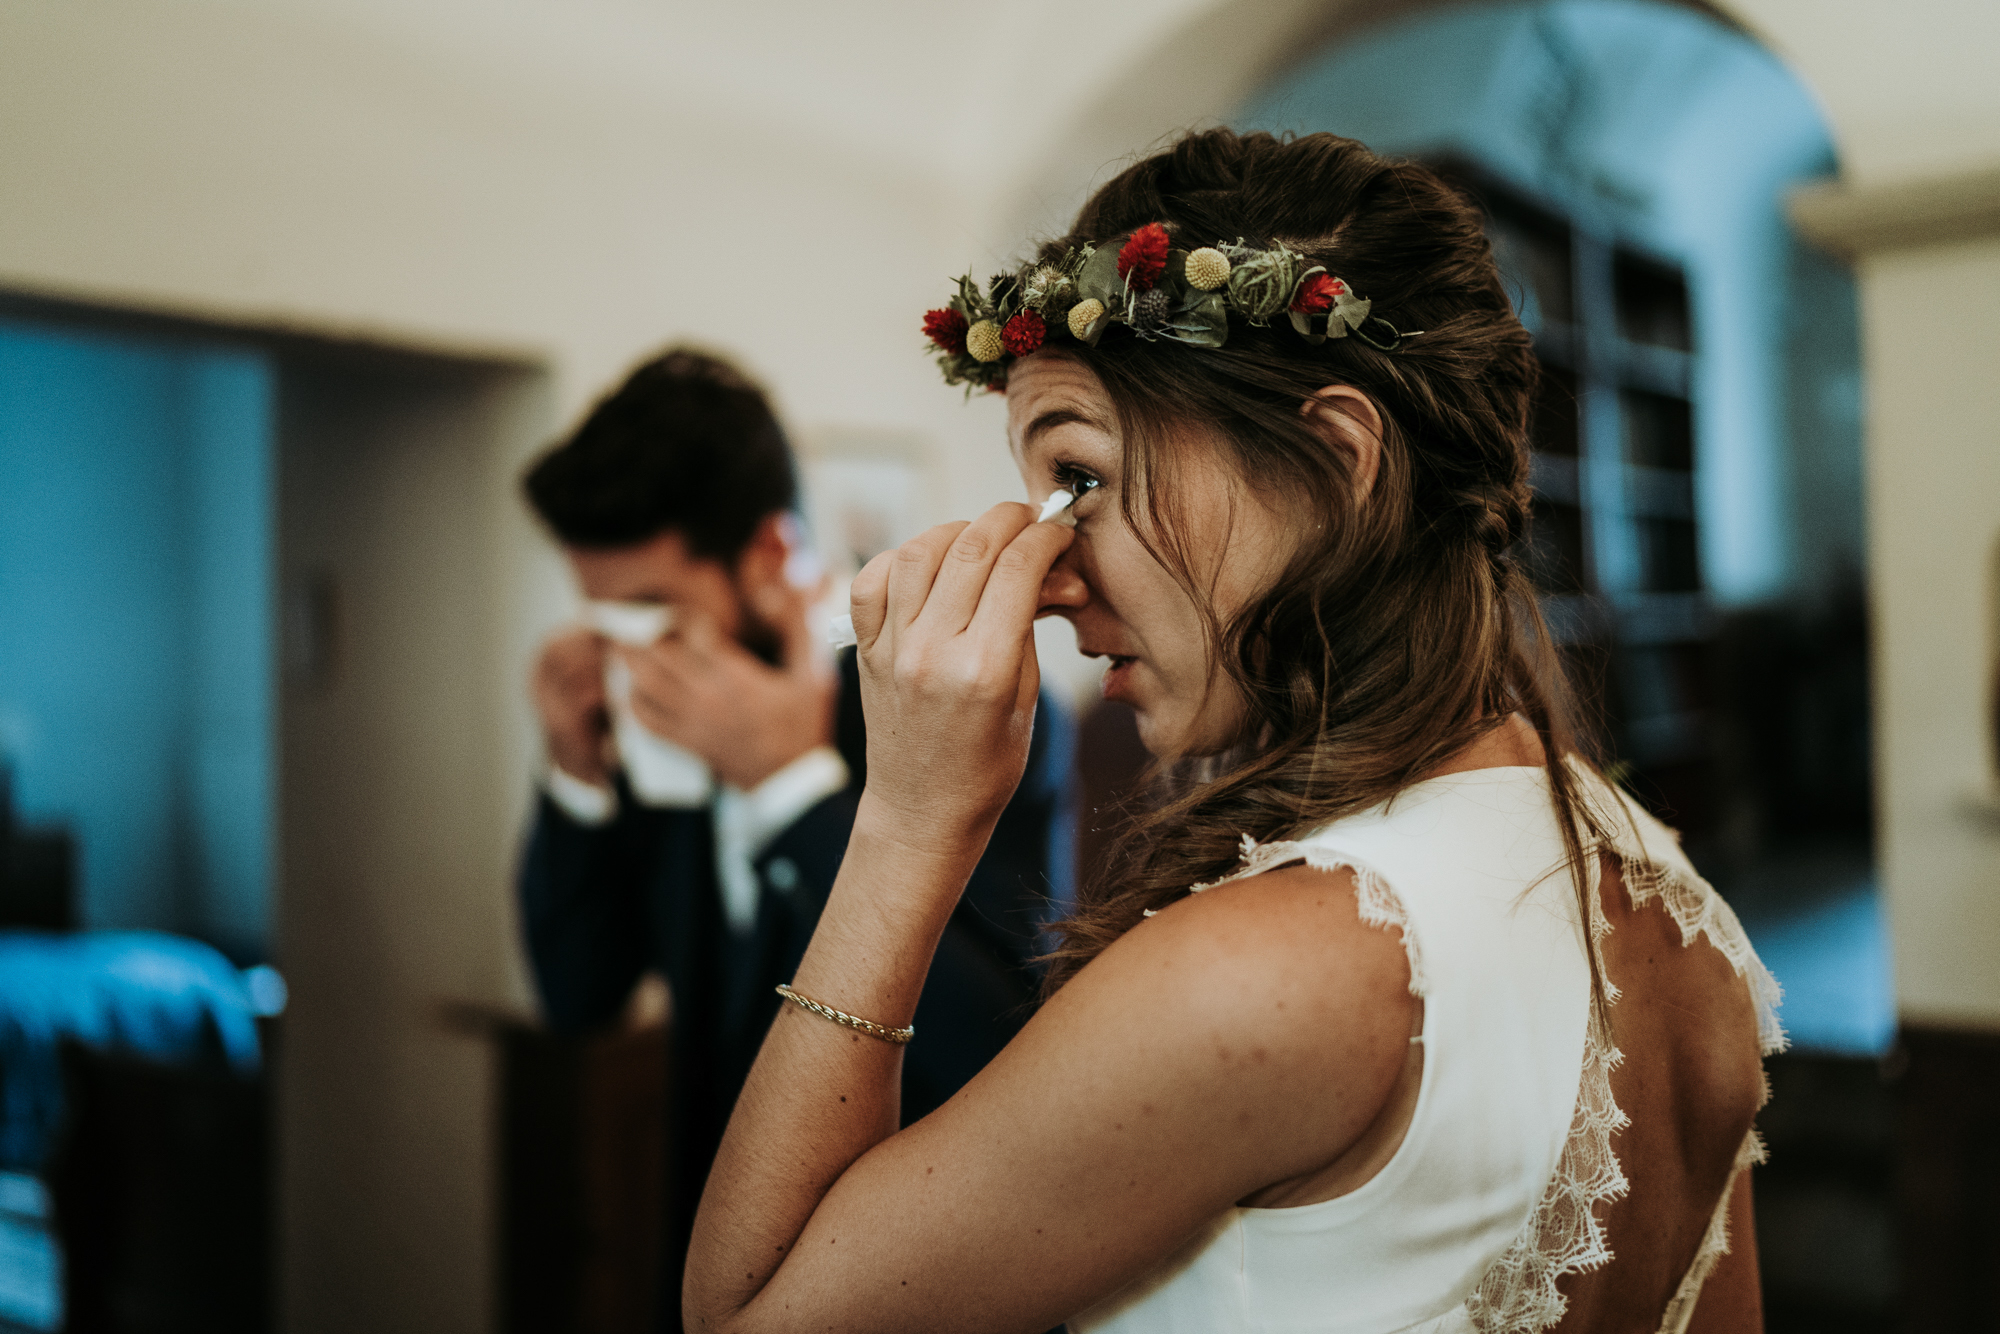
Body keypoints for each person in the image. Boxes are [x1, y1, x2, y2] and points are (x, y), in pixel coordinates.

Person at [681, 130, 1783, 1334]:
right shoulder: (1669, 895)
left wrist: (905, 820)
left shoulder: (1264, 972)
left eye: (1080, 481)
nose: (1052, 577)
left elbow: (744, 1315)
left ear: (1335, 459)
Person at [515, 348, 1071, 1325]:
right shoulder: (645, 720)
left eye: (649, 609)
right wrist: (574, 777)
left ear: (769, 555)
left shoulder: (955, 706)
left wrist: (791, 788)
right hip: (715, 1268)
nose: (628, 651)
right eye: (599, 613)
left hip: (915, 1280)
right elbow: (578, 996)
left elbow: (997, 1048)